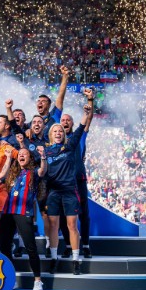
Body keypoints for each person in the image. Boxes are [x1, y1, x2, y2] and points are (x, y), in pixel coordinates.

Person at [44, 96, 94, 275]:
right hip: (53, 193)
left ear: (64, 134)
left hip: (70, 192)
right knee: (53, 226)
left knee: (72, 225)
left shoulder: (70, 146)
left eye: (60, 131)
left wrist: (86, 114)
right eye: (55, 131)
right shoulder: (46, 151)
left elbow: (80, 128)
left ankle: (75, 260)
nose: (58, 132)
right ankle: (54, 258)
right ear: (50, 135)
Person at [0, 146, 48, 290]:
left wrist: (43, 157)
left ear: (30, 158)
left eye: (25, 154)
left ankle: (38, 280)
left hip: (23, 212)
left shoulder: (33, 172)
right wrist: (8, 158)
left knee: (30, 246)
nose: (21, 156)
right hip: (8, 212)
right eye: (19, 154)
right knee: (4, 246)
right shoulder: (13, 173)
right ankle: (12, 279)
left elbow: (42, 171)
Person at [58, 91, 95, 259]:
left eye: (68, 120)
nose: (65, 122)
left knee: (83, 214)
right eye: (63, 120)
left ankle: (85, 245)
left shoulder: (79, 136)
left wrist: (90, 99)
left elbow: (89, 118)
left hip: (78, 180)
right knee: (63, 216)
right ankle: (68, 245)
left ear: (73, 123)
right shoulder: (55, 140)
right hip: (63, 183)